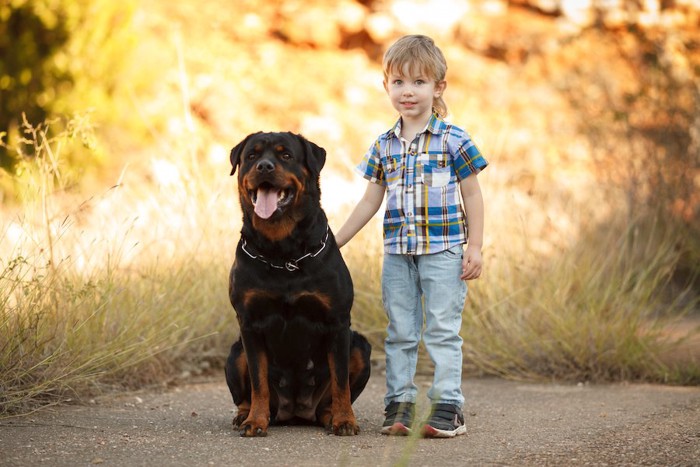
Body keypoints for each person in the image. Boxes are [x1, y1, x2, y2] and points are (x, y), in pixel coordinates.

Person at [335, 34, 487, 438]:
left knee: (441, 329)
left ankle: (447, 406)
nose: (408, 91)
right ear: (386, 86)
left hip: (445, 251)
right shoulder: (384, 145)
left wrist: (475, 246)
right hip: (398, 254)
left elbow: (472, 193)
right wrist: (333, 243)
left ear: (438, 88)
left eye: (419, 82)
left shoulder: (454, 139)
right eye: (399, 82)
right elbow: (370, 201)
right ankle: (399, 404)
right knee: (400, 330)